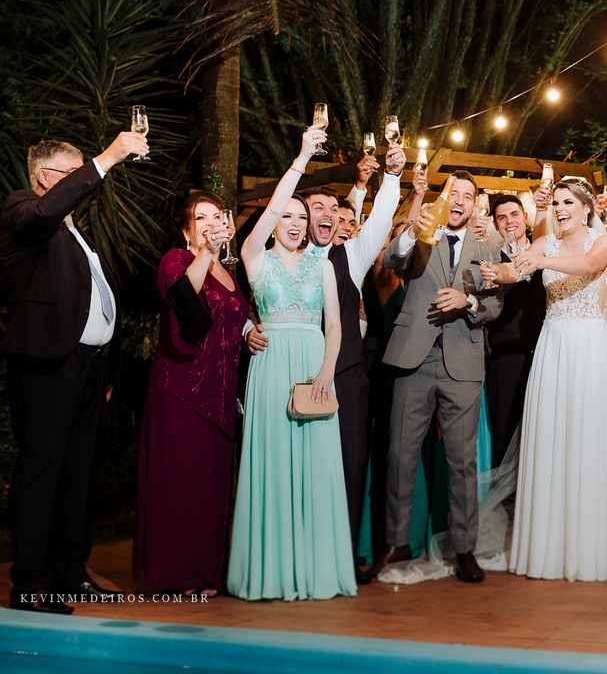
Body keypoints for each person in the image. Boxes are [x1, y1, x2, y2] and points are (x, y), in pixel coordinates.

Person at [0, 132, 146, 614]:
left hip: (89, 369)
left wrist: (107, 371)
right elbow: (42, 215)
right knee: (42, 472)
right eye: (73, 172)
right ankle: (30, 585)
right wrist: (108, 158)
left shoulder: (79, 237)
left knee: (80, 474)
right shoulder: (23, 210)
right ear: (45, 178)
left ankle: (70, 574)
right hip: (49, 366)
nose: (84, 181)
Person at [226, 127, 358, 601]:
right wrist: (301, 158)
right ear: (273, 220)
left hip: (314, 369)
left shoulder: (322, 266)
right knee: (273, 468)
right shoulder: (254, 258)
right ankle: (272, 572)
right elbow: (271, 210)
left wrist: (327, 371)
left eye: (303, 217)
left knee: (318, 470)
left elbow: (335, 326)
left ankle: (317, 569)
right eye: (287, 215)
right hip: (271, 370)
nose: (297, 223)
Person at [368, 170, 501, 584]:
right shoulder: (421, 231)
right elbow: (392, 260)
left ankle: (465, 550)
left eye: (467, 195)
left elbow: (495, 305)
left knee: (462, 463)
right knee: (399, 456)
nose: (459, 200)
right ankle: (395, 543)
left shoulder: (487, 244)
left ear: (475, 204)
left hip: (463, 363)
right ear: (443, 197)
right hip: (413, 360)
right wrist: (411, 232)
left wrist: (469, 301)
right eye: (453, 193)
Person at [298, 144, 406, 580]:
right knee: (300, 467)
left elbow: (379, 221)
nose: (328, 215)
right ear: (300, 218)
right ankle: (299, 554)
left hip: (347, 378)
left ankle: (341, 557)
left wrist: (392, 177)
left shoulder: (352, 256)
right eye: (317, 208)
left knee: (350, 465)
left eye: (334, 209)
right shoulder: (285, 259)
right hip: (296, 376)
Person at [508, 178, 607, 581]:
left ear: (587, 208)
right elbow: (517, 267)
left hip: (588, 345)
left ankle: (589, 548)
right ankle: (546, 548)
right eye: (555, 202)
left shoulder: (603, 242)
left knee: (585, 435)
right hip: (553, 344)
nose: (559, 208)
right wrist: (495, 271)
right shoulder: (544, 243)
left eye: (568, 202)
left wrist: (541, 262)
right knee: (550, 434)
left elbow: (590, 267)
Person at [133, 191, 246, 597]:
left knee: (210, 490)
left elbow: (231, 322)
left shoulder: (230, 272)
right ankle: (180, 577)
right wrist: (207, 252)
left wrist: (250, 333)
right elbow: (183, 299)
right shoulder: (177, 259)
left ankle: (207, 573)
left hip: (220, 394)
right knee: (182, 487)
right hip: (180, 388)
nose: (211, 224)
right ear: (186, 230)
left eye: (217, 216)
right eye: (201, 218)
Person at [483, 193, 547, 466]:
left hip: (545, 356)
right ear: (496, 225)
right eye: (502, 218)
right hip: (506, 359)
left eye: (514, 215)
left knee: (543, 434)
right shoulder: (489, 261)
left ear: (526, 217)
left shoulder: (547, 256)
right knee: (505, 433)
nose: (509, 221)